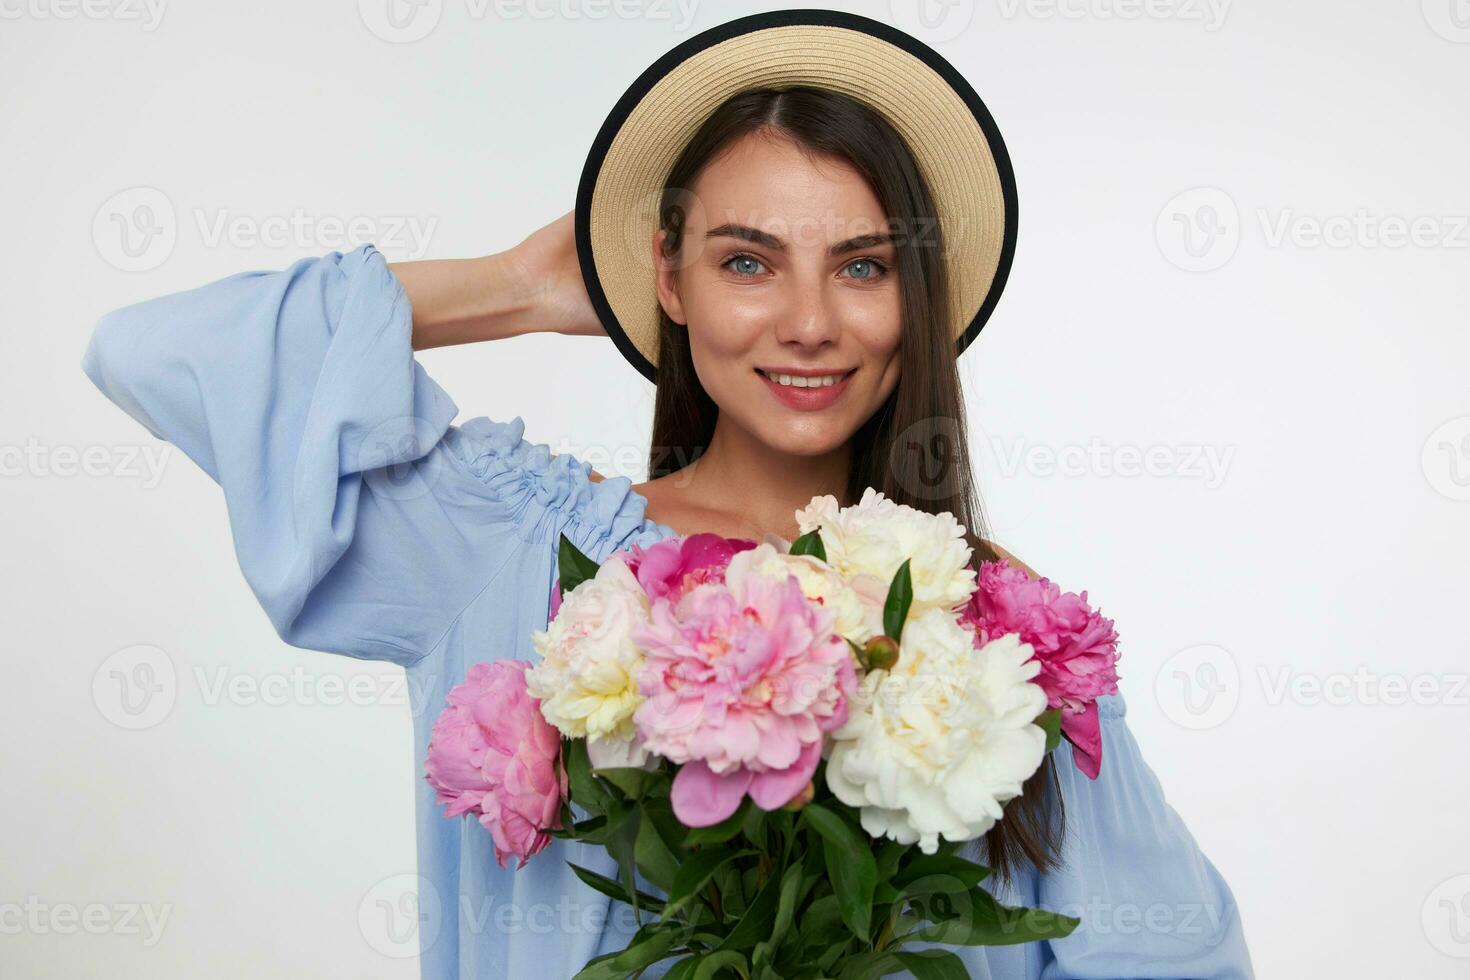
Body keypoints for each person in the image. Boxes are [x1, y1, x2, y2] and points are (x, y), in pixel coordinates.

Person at [80, 12, 1253, 980]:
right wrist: (520, 287)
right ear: (669, 277)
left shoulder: (1004, 630)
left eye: (862, 266)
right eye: (747, 260)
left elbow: (1176, 954)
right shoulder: (516, 547)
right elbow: (154, 349)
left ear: (918, 294)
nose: (808, 321)